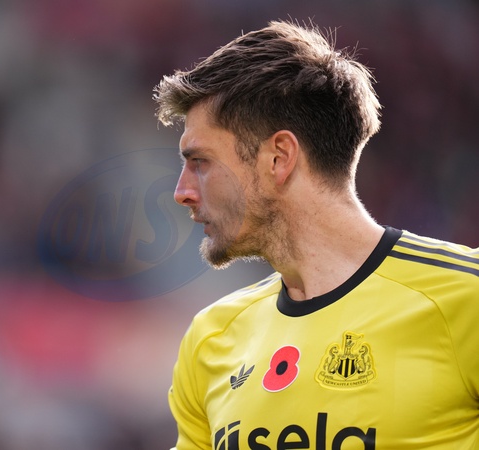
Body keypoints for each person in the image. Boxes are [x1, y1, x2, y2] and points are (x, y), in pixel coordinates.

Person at [153, 20, 479, 450]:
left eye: (200, 162)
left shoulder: (466, 299)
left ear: (279, 157)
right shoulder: (211, 338)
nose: (182, 192)